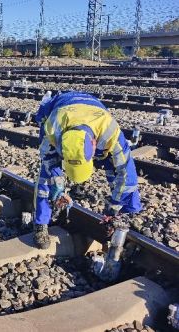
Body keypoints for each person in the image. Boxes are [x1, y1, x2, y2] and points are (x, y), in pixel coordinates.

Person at [33, 91, 142, 249]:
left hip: (92, 113)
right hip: (60, 108)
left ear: (93, 145)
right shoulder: (51, 127)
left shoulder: (110, 132)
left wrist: (115, 206)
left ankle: (130, 213)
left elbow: (126, 173)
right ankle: (40, 223)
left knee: (118, 170)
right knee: (45, 177)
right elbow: (48, 158)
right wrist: (58, 184)